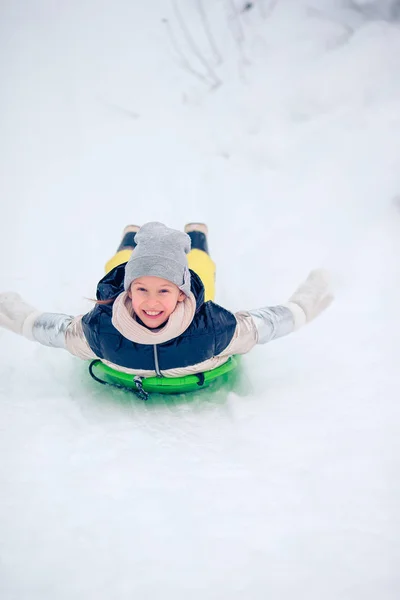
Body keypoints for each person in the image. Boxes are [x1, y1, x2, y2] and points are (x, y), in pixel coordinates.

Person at [0, 222, 333, 380]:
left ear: (182, 294)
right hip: (126, 286)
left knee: (201, 268)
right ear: (128, 293)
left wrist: (306, 303)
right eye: (140, 290)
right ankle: (130, 237)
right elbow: (55, 331)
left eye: (164, 291)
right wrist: (13, 311)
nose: (151, 302)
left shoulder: (210, 328)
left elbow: (264, 324)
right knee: (113, 269)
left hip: (189, 288)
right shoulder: (102, 330)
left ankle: (196, 236)